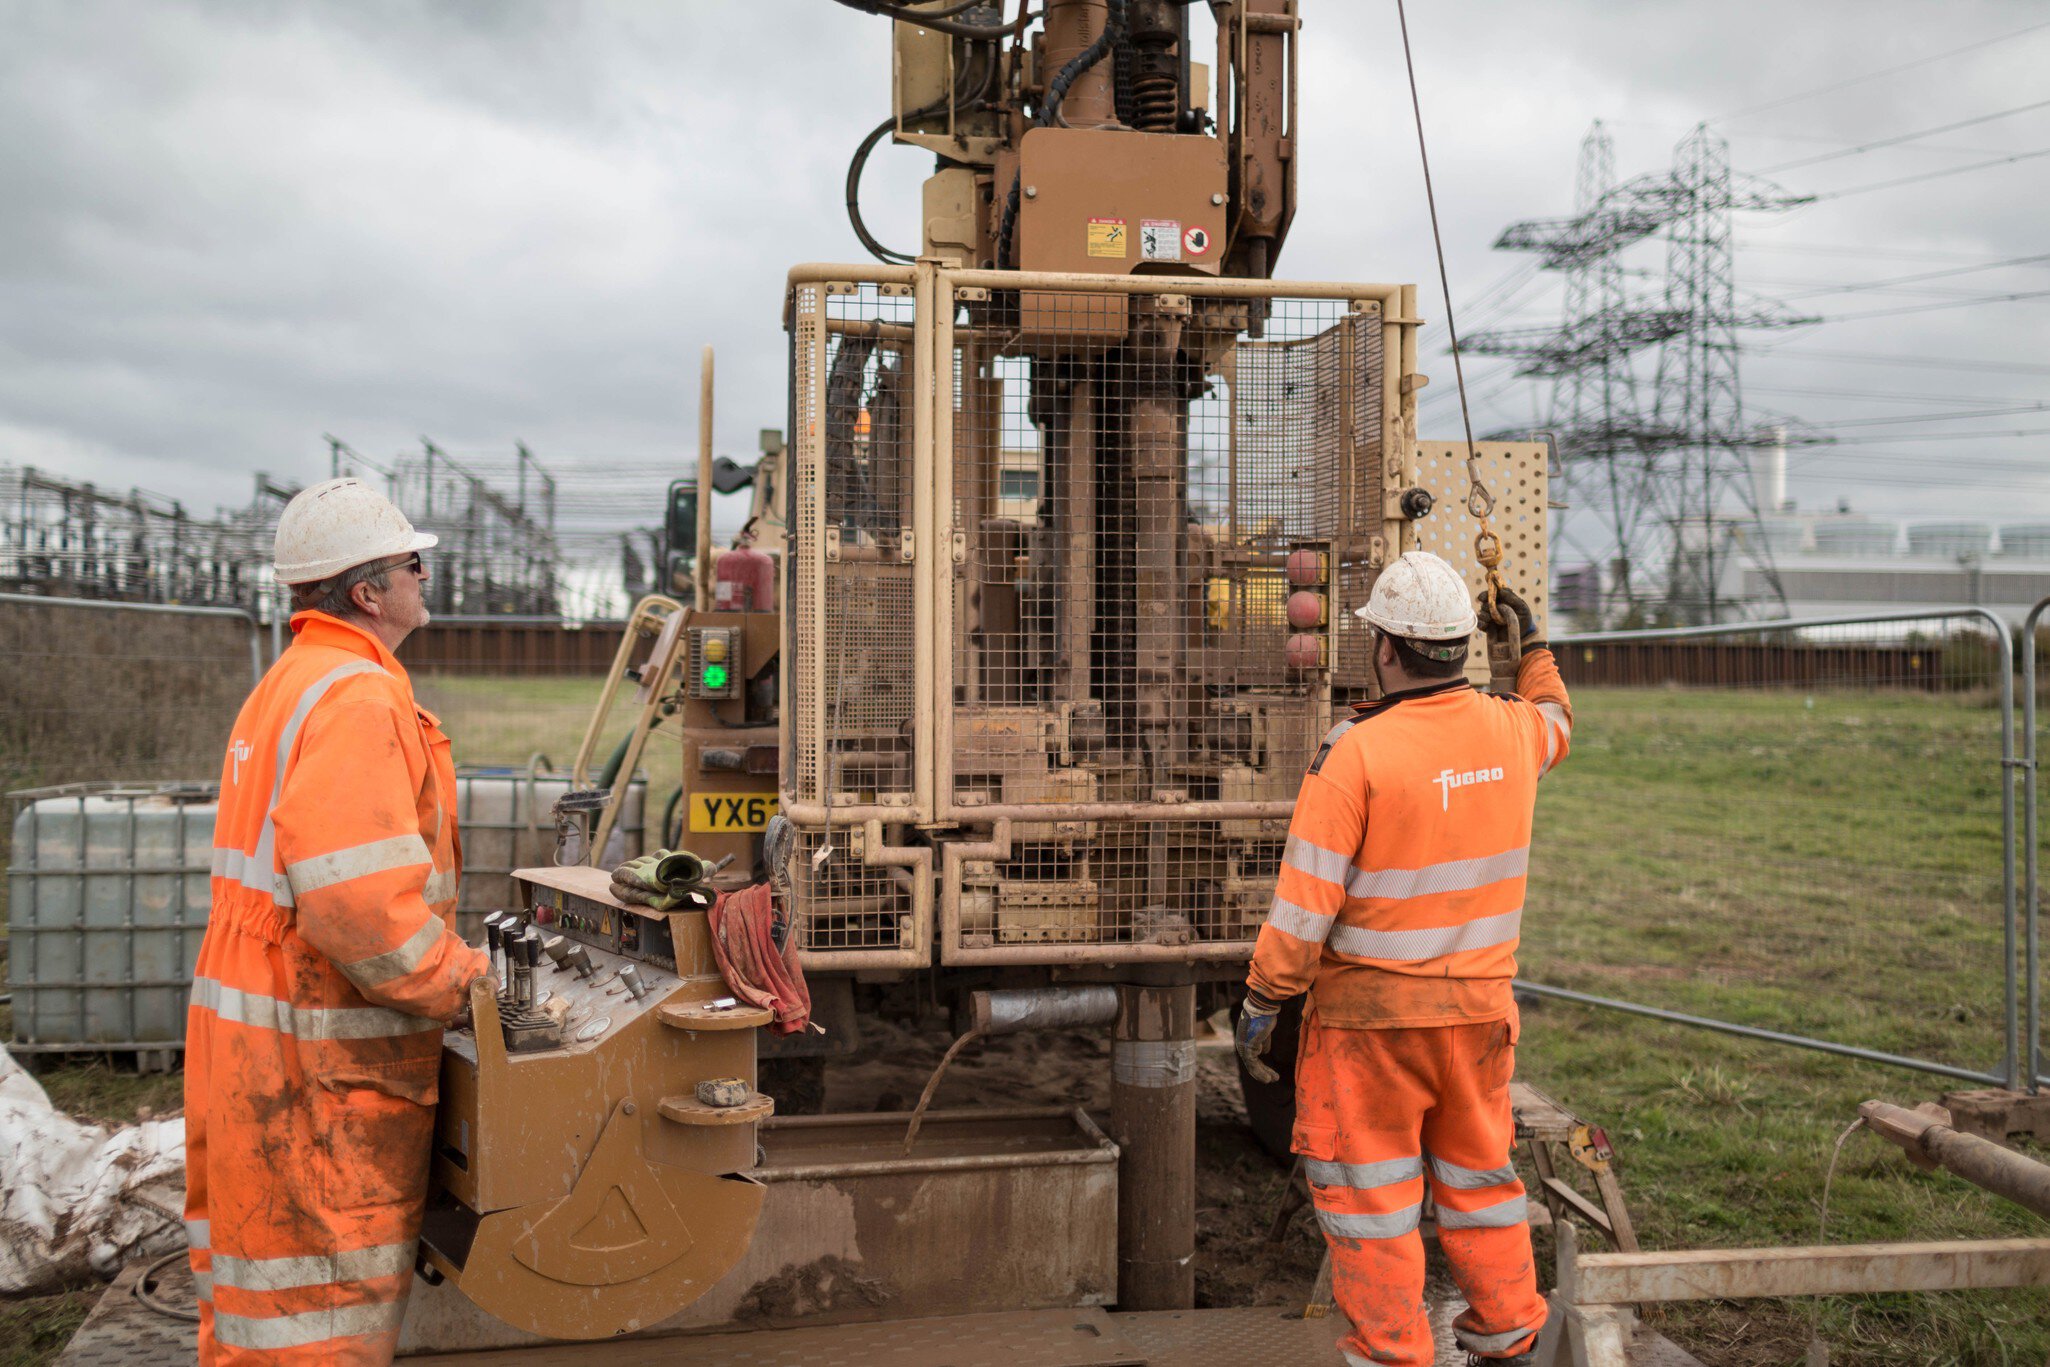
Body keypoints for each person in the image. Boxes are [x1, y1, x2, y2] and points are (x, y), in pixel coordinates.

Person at [1236, 550, 1573, 1367]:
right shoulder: (1516, 731)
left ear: (1386, 648)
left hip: (1371, 1033)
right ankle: (1512, 1335)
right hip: (1480, 1019)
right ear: (1461, 644)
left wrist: (1262, 1001)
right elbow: (1557, 715)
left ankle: (1395, 1353)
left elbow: (1303, 905)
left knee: (1373, 1203)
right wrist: (1528, 647)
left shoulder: (1354, 753)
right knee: (1483, 1187)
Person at [184, 478, 490, 1365]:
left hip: (256, 1025)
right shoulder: (357, 698)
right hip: (318, 1043)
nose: (424, 575)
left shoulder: (291, 683)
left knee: (258, 1280)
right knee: (317, 1304)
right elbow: (360, 905)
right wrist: (464, 983)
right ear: (367, 592)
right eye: (410, 563)